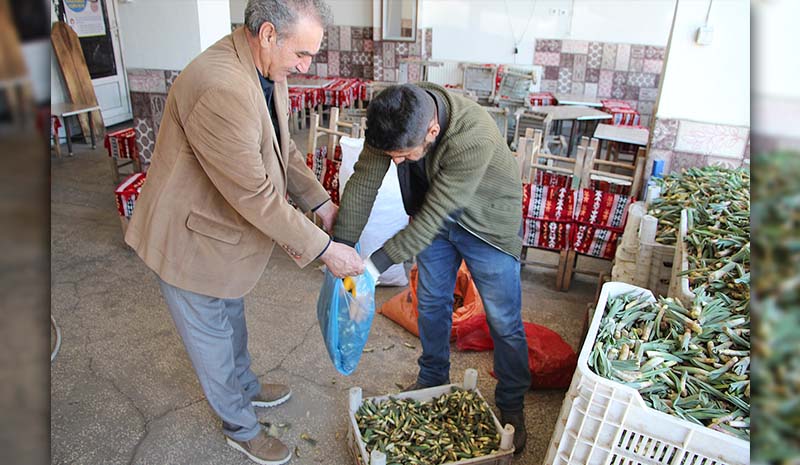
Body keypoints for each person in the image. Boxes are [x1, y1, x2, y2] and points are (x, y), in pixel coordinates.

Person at [124, 1, 363, 464]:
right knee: (211, 338)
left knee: (230, 320)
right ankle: (241, 426)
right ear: (269, 34)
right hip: (189, 238)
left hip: (222, 237)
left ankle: (247, 387)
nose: (305, 66)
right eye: (303, 54)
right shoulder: (220, 87)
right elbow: (256, 195)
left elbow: (283, 151)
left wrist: (322, 204)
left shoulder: (268, 69)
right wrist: (325, 249)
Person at [334, 83, 531, 452]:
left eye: (404, 156)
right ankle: (432, 379)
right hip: (433, 212)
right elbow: (363, 184)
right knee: (430, 301)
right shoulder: (396, 118)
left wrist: (373, 267)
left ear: (433, 131)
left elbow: (434, 221)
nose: (395, 162)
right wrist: (342, 248)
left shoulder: (474, 134)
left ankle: (511, 404)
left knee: (503, 319)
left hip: (487, 222)